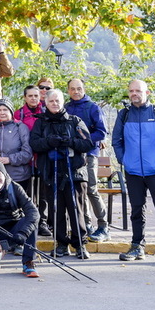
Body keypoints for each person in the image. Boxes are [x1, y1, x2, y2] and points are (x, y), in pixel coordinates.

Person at [112, 79, 155, 266]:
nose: (134, 94)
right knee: (136, 211)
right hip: (133, 171)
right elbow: (116, 141)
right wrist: (124, 160)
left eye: (138, 90)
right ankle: (137, 246)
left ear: (147, 92)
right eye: (131, 91)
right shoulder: (124, 115)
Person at [30, 88, 93, 259]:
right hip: (51, 173)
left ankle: (80, 244)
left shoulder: (75, 121)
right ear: (46, 103)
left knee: (76, 209)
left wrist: (71, 141)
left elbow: (88, 143)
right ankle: (61, 244)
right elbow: (34, 144)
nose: (55, 104)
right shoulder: (40, 123)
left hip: (75, 173)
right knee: (56, 210)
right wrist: (49, 142)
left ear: (63, 101)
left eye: (57, 100)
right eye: (51, 101)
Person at [65, 78, 110, 242]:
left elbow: (102, 132)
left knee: (91, 189)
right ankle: (87, 224)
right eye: (72, 89)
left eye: (79, 88)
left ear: (83, 89)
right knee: (79, 191)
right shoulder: (66, 108)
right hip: (72, 155)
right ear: (68, 91)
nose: (76, 91)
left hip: (89, 154)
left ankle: (103, 226)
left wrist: (84, 141)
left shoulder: (93, 108)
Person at [15, 84, 50, 237]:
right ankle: (26, 222)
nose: (34, 98)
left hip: (43, 157)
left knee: (43, 193)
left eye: (36, 96)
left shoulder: (46, 111)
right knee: (26, 193)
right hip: (25, 159)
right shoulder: (18, 114)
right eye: (30, 96)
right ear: (25, 97)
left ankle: (42, 222)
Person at [0, 98, 33, 196]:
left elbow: (27, 153)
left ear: (11, 111)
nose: (2, 113)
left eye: (5, 110)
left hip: (18, 176)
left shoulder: (21, 127)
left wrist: (9, 159)